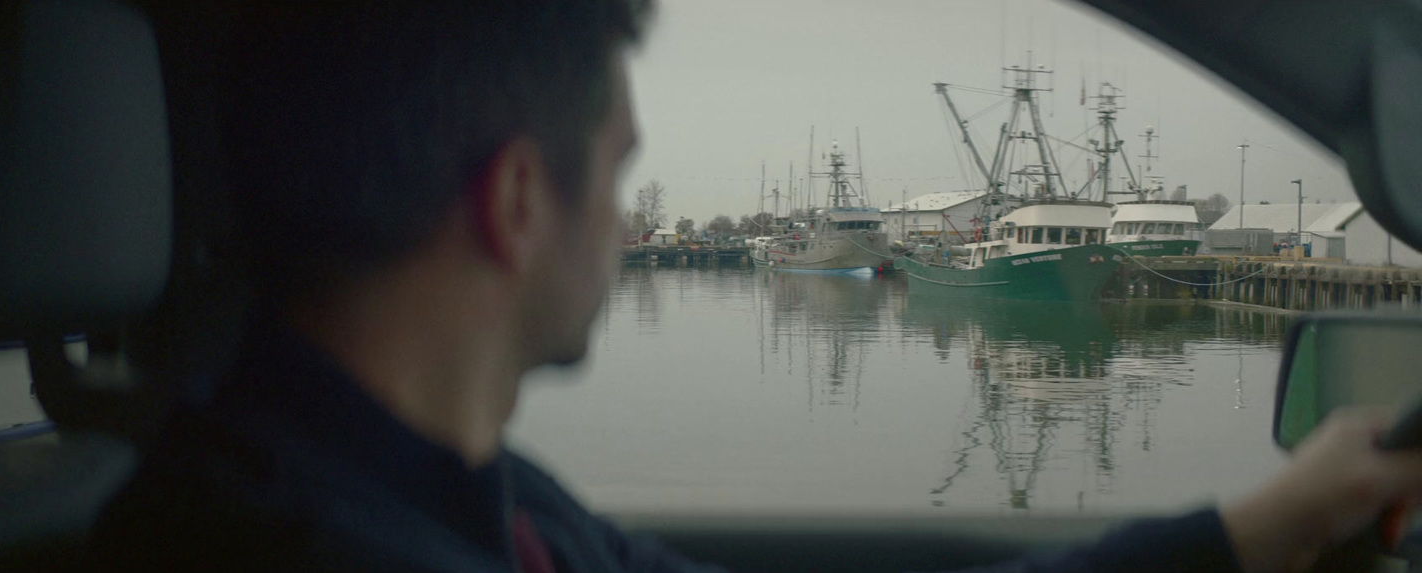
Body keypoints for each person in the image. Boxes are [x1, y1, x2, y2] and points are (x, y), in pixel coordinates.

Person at [93, 2, 1422, 572]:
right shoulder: (310, 542)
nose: (628, 226)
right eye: (618, 175)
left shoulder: (461, 492)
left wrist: (1255, 529)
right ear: (514, 202)